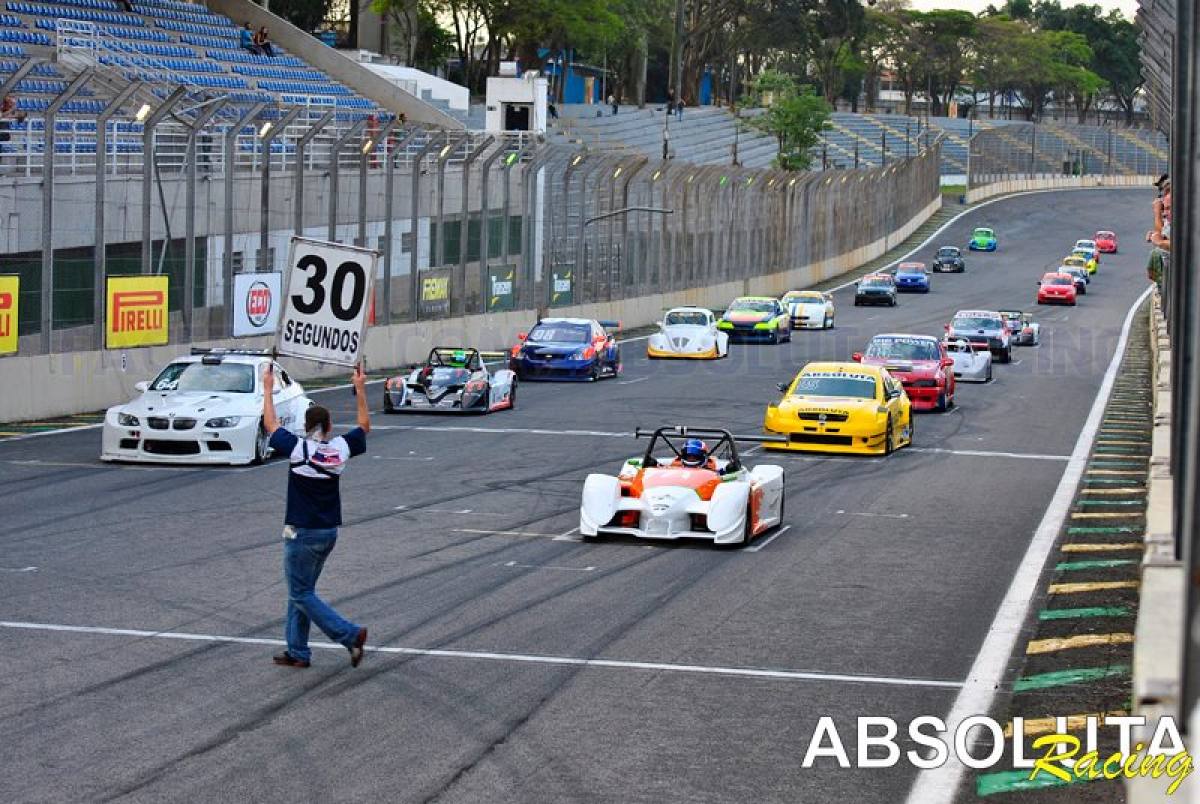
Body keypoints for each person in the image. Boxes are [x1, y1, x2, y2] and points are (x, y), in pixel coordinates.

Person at [263, 362, 370, 669]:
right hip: (328, 533)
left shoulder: (299, 449)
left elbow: (270, 424)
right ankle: (297, 651)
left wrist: (268, 388)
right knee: (301, 591)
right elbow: (364, 426)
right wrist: (360, 388)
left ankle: (350, 635)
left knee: (300, 592)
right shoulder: (339, 449)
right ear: (329, 426)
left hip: (302, 532)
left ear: (305, 426)